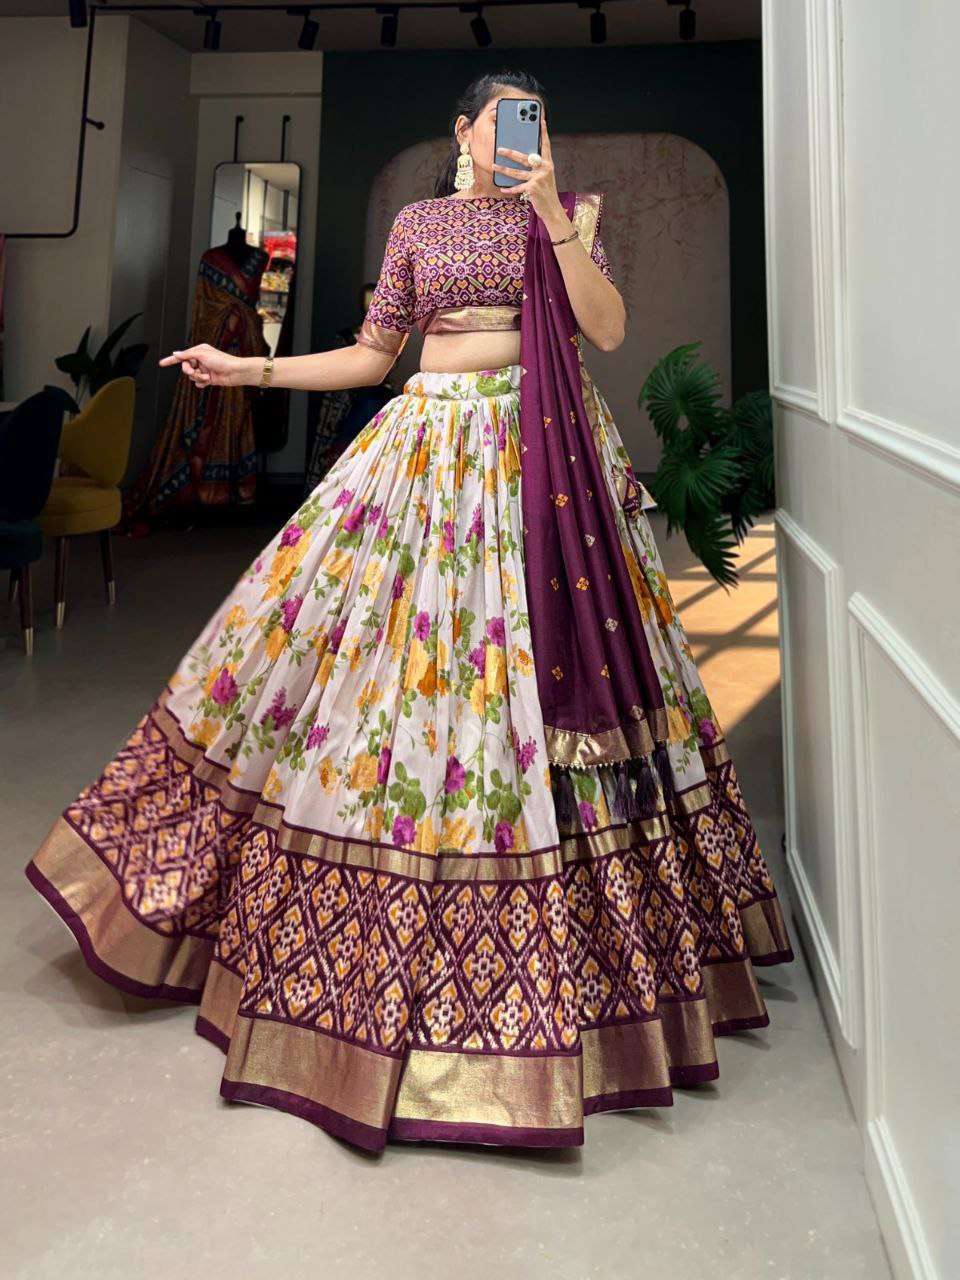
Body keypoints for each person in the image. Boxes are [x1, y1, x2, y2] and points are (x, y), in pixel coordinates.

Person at [23, 71, 794, 1154]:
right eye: (505, 119)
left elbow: (607, 330)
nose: (522, 135)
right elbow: (372, 355)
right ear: (463, 130)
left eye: (537, 120)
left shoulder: (568, 216)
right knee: (375, 685)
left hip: (545, 471)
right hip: (427, 459)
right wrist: (248, 368)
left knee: (535, 697)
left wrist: (551, 213)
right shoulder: (419, 226)